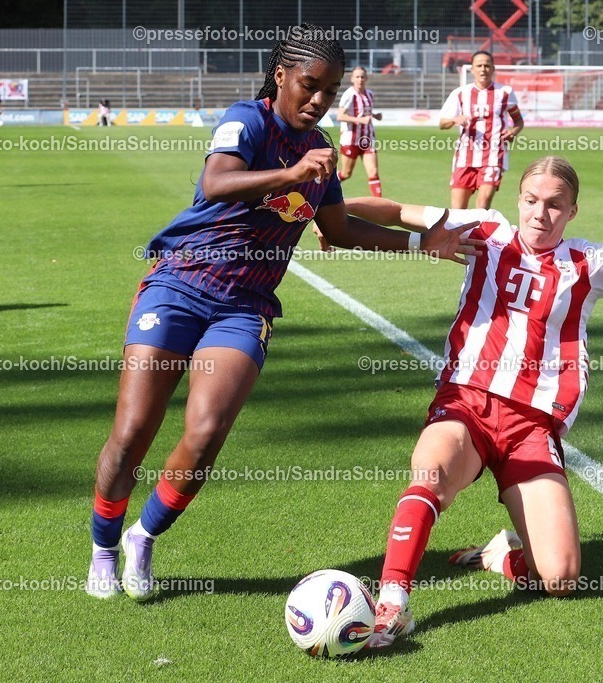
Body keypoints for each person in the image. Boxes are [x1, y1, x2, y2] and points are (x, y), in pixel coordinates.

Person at [86, 25, 478, 602]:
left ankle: (143, 537)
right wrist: (292, 174)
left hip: (244, 308)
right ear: (281, 76)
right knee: (130, 434)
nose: (320, 100)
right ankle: (102, 547)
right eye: (310, 85)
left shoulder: (320, 149)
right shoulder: (248, 120)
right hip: (179, 284)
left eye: (331, 90)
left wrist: (422, 243)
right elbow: (215, 182)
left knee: (205, 433)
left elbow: (340, 231)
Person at [346, 156, 603, 648]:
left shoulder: (588, 262)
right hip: (467, 402)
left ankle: (498, 555)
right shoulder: (485, 231)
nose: (540, 214)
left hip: (532, 428)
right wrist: (329, 211)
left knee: (561, 578)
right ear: (518, 200)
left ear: (572, 211)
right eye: (531, 201)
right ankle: (392, 606)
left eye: (554, 205)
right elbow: (398, 210)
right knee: (431, 472)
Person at [439, 51, 524, 210]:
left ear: (493, 68)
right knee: (457, 211)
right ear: (472, 69)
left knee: (482, 206)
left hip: (493, 156)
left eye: (487, 65)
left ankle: (478, 235)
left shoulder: (504, 93)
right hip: (464, 157)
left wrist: (513, 132)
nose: (483, 69)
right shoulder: (460, 93)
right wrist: (453, 119)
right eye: (479, 66)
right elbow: (442, 123)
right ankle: (458, 236)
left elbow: (518, 120)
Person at [337, 66, 383, 197]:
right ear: (352, 79)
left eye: (362, 76)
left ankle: (379, 205)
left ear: (366, 78)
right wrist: (360, 120)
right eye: (357, 77)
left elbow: (365, 112)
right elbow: (340, 116)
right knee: (346, 174)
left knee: (373, 172)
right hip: (350, 139)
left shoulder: (369, 94)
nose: (360, 79)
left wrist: (375, 116)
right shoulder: (348, 95)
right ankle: (326, 185)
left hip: (367, 139)